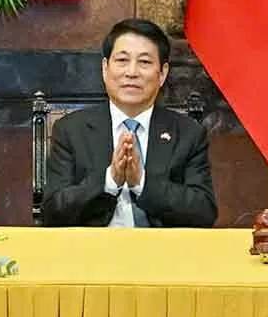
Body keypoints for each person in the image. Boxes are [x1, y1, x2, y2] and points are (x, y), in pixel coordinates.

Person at [39, 18, 217, 228]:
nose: (132, 72)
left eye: (144, 62)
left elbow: (204, 212)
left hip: (163, 255)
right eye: (122, 60)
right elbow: (52, 213)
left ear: (162, 73)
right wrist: (109, 181)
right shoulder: (71, 130)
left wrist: (141, 182)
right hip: (92, 254)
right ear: (105, 69)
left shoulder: (188, 134)